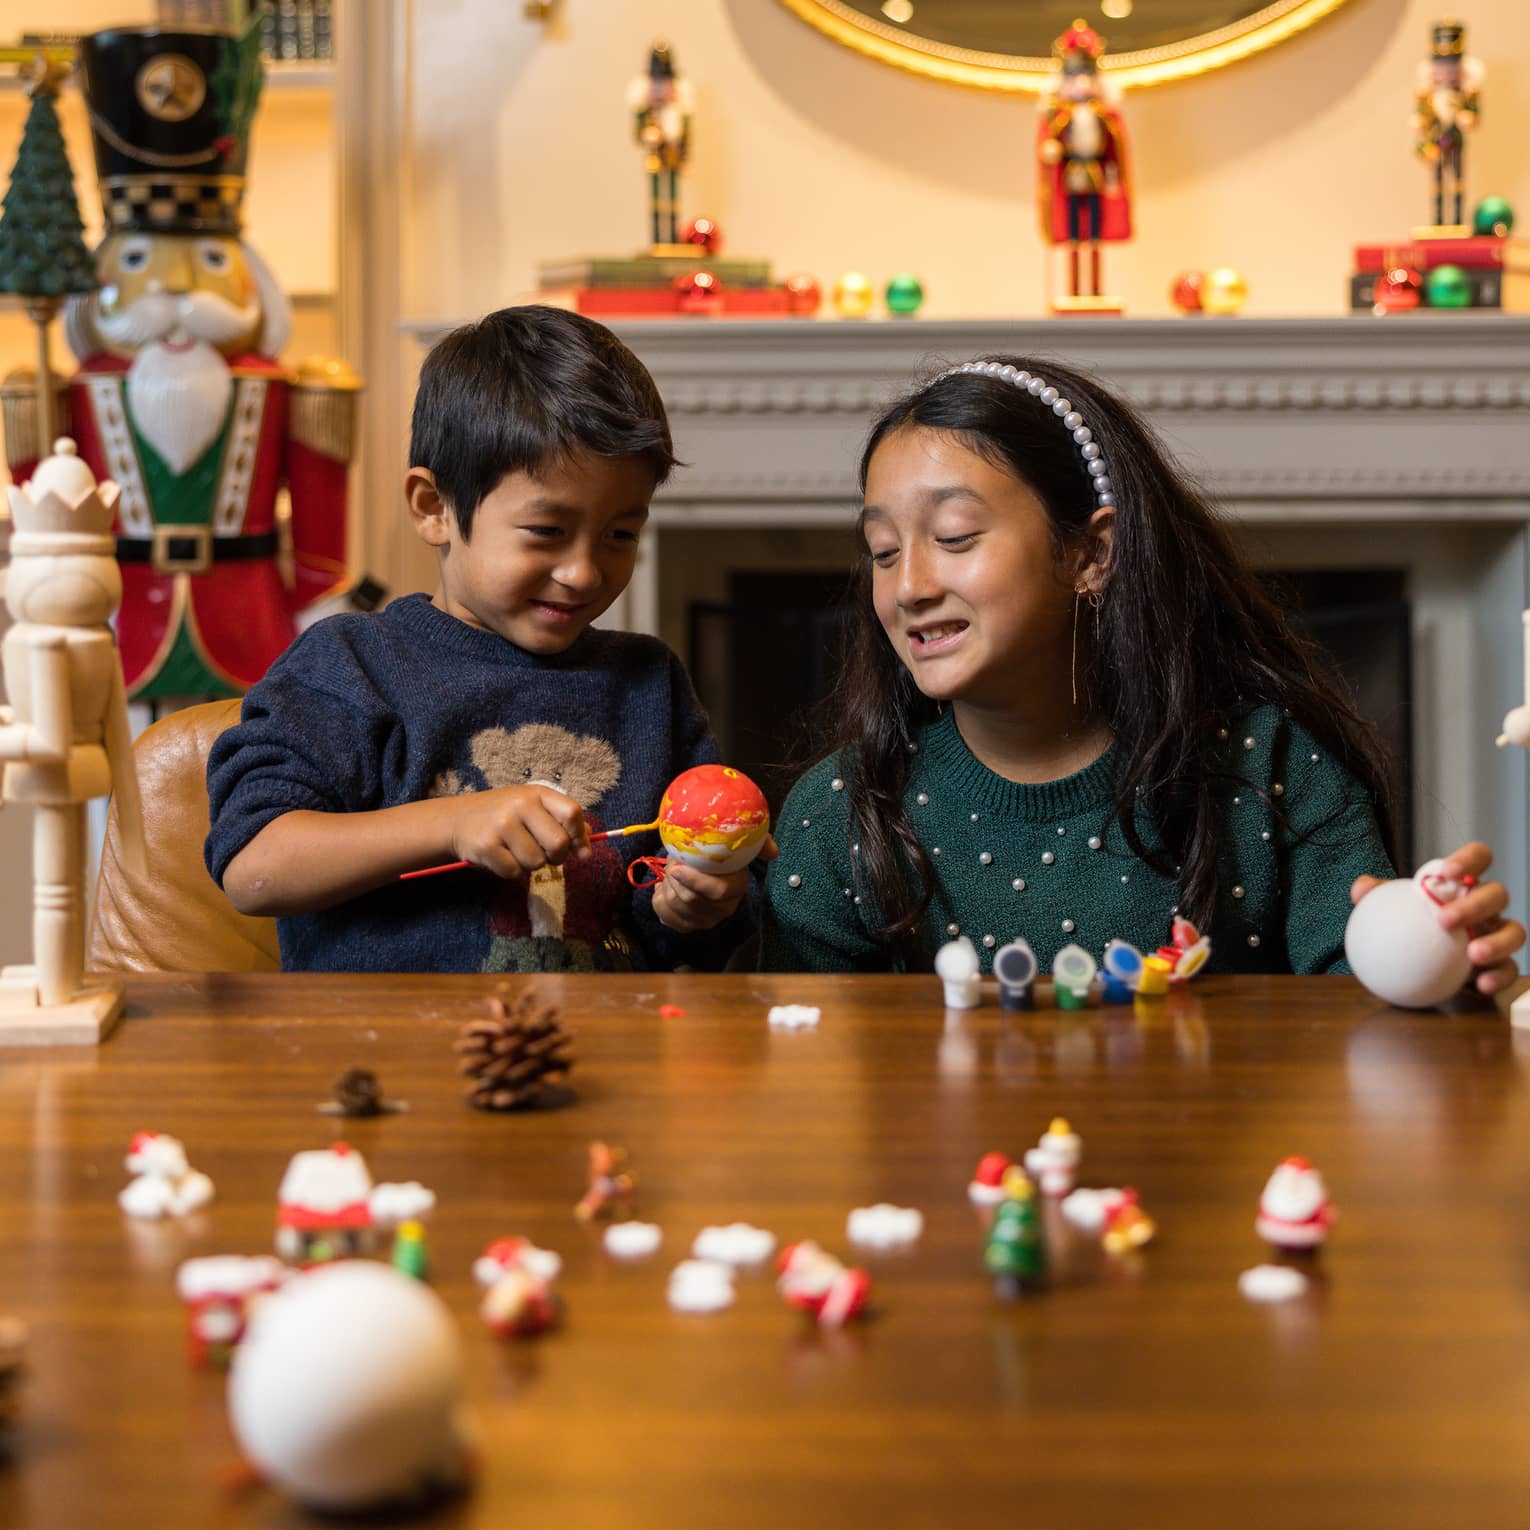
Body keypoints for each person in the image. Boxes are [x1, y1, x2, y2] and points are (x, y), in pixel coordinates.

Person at [760, 355, 1523, 992]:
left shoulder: (1274, 769)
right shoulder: (840, 815)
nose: (909, 586)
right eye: (883, 551)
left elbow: (1376, 1022)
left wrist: (1445, 968)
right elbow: (804, 1074)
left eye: (955, 536)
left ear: (1091, 555)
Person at [205, 305, 765, 973]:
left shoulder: (649, 682)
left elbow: (678, 929)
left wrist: (696, 904)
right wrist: (454, 823)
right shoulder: (350, 663)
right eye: (547, 532)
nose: (584, 571)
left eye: (621, 534)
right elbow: (256, 868)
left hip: (607, 1050)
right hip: (387, 1059)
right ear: (434, 508)